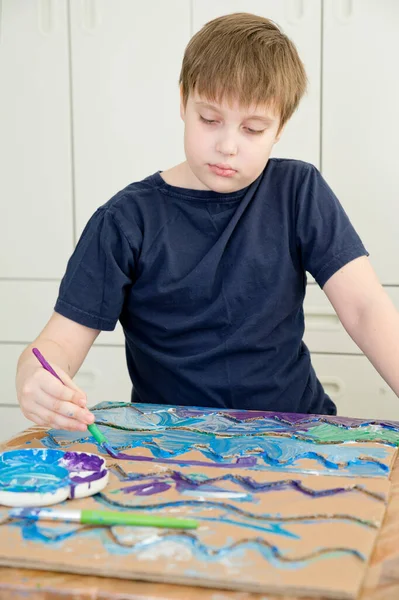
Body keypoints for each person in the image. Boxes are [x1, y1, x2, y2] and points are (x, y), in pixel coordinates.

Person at [16, 13, 399, 433]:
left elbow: (365, 308)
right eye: (209, 119)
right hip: (172, 445)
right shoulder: (125, 221)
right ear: (183, 102)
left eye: (253, 129)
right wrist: (36, 379)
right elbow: (56, 344)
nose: (228, 145)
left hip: (296, 431)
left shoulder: (298, 191)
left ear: (280, 128)